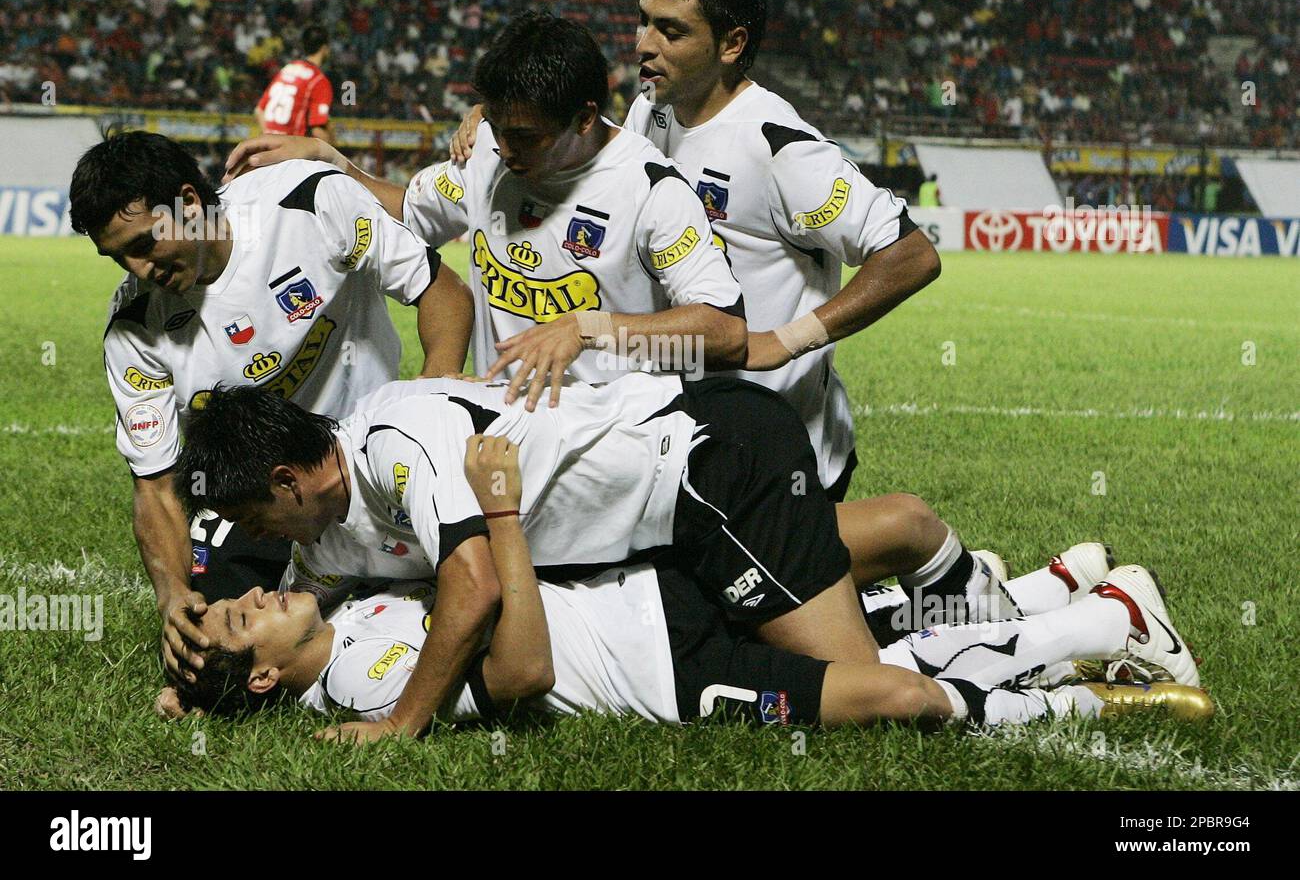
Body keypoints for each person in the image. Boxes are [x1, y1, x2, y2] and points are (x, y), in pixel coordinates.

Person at [172, 436, 1211, 729]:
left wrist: (186, 677)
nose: (253, 592)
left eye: (237, 591)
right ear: (266, 678)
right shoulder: (362, 687)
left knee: (882, 619)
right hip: (658, 669)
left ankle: (1083, 611)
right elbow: (521, 670)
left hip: (654, 602)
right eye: (240, 620)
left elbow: (292, 575)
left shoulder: (340, 609)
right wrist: (500, 524)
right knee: (892, 686)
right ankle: (1088, 646)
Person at [450, 0, 941, 502]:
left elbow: (911, 254)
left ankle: (922, 577)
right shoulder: (649, 109)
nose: (643, 45)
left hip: (777, 439)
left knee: (779, 585)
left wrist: (786, 339)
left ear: (732, 44)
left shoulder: (778, 147)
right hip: (686, 427)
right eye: (643, 22)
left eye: (671, 31)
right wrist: (497, 110)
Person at [68, 130, 474, 687]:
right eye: (119, 258)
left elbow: (442, 291)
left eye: (143, 245)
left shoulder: (308, 204)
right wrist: (172, 596)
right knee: (215, 652)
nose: (139, 270)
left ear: (189, 204)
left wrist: (430, 416)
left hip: (365, 472)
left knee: (468, 576)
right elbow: (156, 488)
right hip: (259, 502)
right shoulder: (136, 328)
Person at [224, 13, 749, 413]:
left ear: (585, 116)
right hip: (499, 428)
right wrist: (332, 163)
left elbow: (725, 331)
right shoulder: (488, 154)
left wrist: (589, 327)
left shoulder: (652, 190)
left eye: (525, 136)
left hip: (610, 436)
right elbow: (410, 211)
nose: (505, 150)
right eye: (496, 127)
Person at [256, 24, 335, 142]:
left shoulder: (287, 69)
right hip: (291, 152)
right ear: (324, 49)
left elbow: (259, 110)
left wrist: (270, 136)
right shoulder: (318, 80)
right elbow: (317, 130)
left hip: (268, 150)